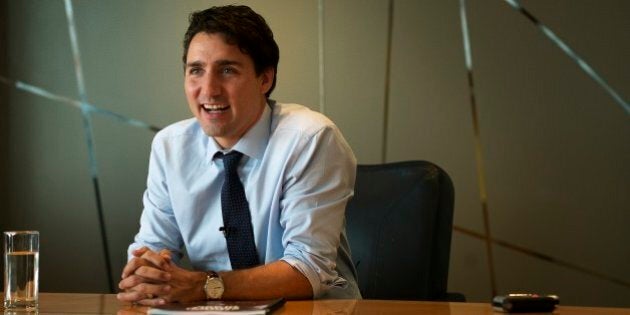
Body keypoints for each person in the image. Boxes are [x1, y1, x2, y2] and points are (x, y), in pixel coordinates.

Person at [116, 5, 360, 306]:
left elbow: (308, 269)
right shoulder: (170, 147)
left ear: (265, 79)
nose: (209, 90)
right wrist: (145, 272)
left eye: (227, 70)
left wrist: (205, 286)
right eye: (196, 70)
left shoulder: (309, 138)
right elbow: (152, 249)